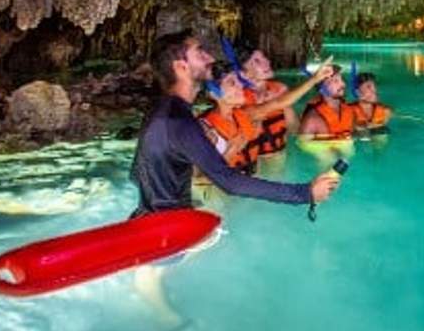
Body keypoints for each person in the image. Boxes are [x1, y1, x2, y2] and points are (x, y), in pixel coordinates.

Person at [130, 30, 340, 214]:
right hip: (170, 227)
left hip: (164, 215)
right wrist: (305, 193)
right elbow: (228, 181)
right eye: (200, 53)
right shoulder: (179, 121)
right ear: (181, 67)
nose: (210, 57)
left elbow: (137, 173)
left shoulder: (164, 111)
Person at [298, 66, 354, 139]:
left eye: (341, 80)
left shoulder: (349, 111)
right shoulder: (312, 120)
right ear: (323, 89)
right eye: (335, 81)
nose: (343, 84)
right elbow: (302, 148)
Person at [348, 71, 392, 136]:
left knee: (383, 131)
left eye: (375, 86)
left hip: (377, 137)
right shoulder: (348, 111)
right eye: (368, 87)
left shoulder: (386, 111)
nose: (374, 90)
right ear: (357, 92)